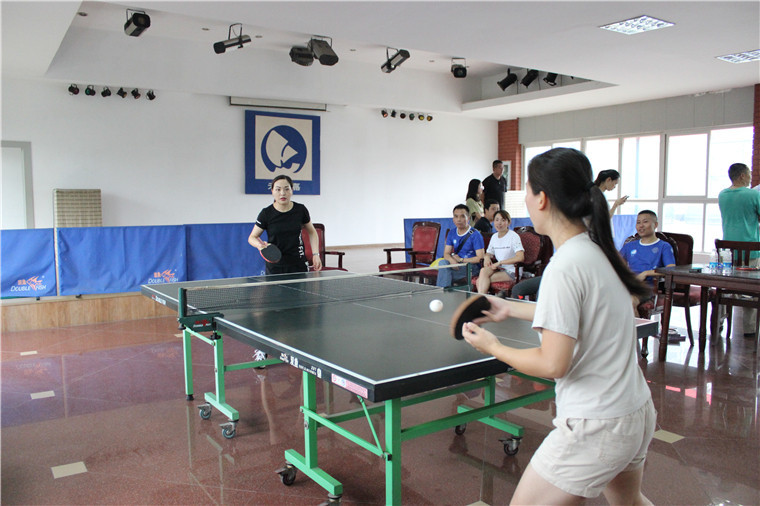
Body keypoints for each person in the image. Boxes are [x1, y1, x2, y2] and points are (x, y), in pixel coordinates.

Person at [461, 148, 655, 505]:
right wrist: (510, 308)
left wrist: (493, 347)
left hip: (596, 423)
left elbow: (553, 363)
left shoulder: (564, 265)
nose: (526, 200)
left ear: (542, 199)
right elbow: (584, 312)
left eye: (527, 190)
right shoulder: (596, 249)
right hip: (635, 410)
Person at [248, 175, 322, 275]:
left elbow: (312, 232)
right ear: (272, 191)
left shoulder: (300, 210)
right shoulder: (266, 213)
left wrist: (316, 254)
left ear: (292, 190)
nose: (282, 193)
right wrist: (260, 245)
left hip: (298, 264)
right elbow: (252, 237)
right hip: (275, 266)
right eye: (278, 189)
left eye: (286, 189)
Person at [718, 162, 760, 337]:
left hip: (727, 252)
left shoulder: (722, 195)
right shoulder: (753, 194)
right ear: (742, 175)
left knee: (723, 286)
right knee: (752, 290)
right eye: (749, 173)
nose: (750, 177)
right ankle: (749, 329)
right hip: (751, 251)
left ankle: (718, 321)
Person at [619, 210, 676, 284]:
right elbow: (615, 263)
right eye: (638, 222)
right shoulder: (629, 246)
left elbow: (670, 269)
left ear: (655, 225)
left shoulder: (664, 246)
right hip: (630, 284)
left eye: (645, 222)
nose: (641, 225)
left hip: (650, 286)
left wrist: (646, 273)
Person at [436, 204, 484, 288]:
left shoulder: (476, 235)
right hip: (456, 264)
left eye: (462, 216)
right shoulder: (452, 233)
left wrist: (461, 260)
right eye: (456, 216)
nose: (459, 219)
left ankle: (443, 292)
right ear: (453, 219)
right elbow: (446, 254)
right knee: (442, 263)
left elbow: (480, 258)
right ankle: (445, 291)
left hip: (471, 267)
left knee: (444, 272)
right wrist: (452, 261)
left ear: (468, 218)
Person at [476, 210, 524, 294]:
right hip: (499, 268)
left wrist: (500, 262)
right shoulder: (494, 237)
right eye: (497, 220)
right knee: (483, 271)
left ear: (509, 222)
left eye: (503, 220)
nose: (499, 223)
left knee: (480, 280)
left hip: (512, 271)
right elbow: (488, 253)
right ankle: (483, 299)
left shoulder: (513, 236)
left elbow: (520, 257)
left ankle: (481, 300)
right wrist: (487, 258)